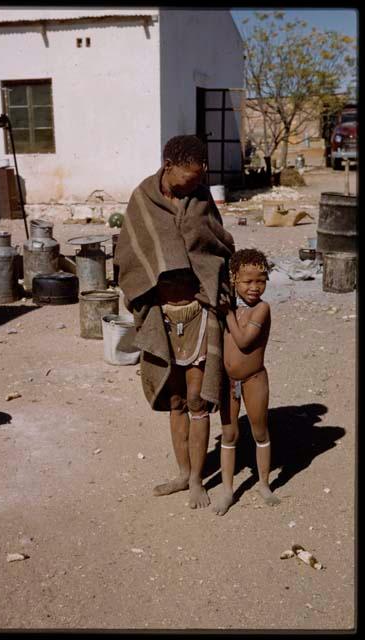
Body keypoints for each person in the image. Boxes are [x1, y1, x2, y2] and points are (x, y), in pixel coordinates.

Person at [114, 135, 235, 509]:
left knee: (199, 400)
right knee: (176, 400)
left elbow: (218, 244)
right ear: (169, 166)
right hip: (161, 316)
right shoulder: (142, 199)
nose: (197, 182)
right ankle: (183, 473)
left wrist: (218, 290)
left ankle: (198, 479)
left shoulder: (200, 197)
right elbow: (128, 254)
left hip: (199, 313)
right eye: (190, 176)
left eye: (201, 176)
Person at [213, 248, 281, 515]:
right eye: (247, 281)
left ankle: (264, 484)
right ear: (234, 279)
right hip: (228, 381)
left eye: (261, 280)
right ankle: (228, 490)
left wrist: (227, 313)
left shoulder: (262, 309)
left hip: (254, 379)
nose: (255, 287)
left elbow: (243, 341)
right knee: (229, 434)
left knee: (259, 431)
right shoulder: (230, 305)